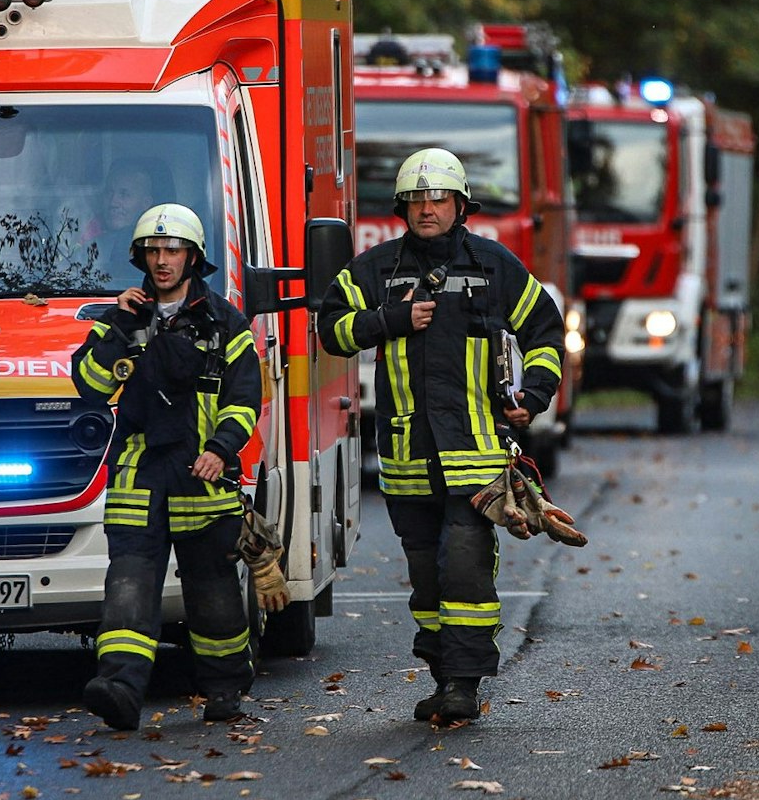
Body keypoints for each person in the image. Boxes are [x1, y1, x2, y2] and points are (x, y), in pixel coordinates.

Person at [316, 148, 566, 724]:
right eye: (416, 200)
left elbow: (545, 333)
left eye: (438, 199)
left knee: (465, 564)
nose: (427, 209)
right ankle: (442, 670)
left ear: (460, 204)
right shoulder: (375, 270)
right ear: (403, 207)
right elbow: (331, 331)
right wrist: (390, 320)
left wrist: (534, 396)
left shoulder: (494, 267)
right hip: (406, 456)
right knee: (428, 579)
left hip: (476, 451)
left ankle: (463, 682)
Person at [70, 202, 261, 729]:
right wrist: (118, 329)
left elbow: (245, 400)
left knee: (213, 590)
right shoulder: (121, 320)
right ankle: (119, 690)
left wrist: (221, 449)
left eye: (172, 249)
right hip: (140, 474)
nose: (161, 260)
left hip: (204, 476)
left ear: (193, 257)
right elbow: (89, 384)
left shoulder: (226, 323)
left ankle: (225, 690)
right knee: (129, 584)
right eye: (152, 251)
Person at [87, 164, 156, 283]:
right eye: (109, 193)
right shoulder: (87, 241)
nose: (113, 202)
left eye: (124, 195)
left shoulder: (159, 249)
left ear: (145, 203)